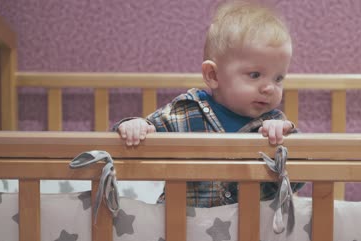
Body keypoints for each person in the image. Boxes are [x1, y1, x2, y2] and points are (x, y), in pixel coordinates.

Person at [114, 0, 304, 207]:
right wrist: (135, 126)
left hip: (251, 231)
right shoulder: (185, 112)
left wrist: (285, 143)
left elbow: (299, 178)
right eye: (255, 75)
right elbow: (132, 141)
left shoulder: (273, 125)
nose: (269, 88)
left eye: (278, 78)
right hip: (182, 226)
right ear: (213, 75)